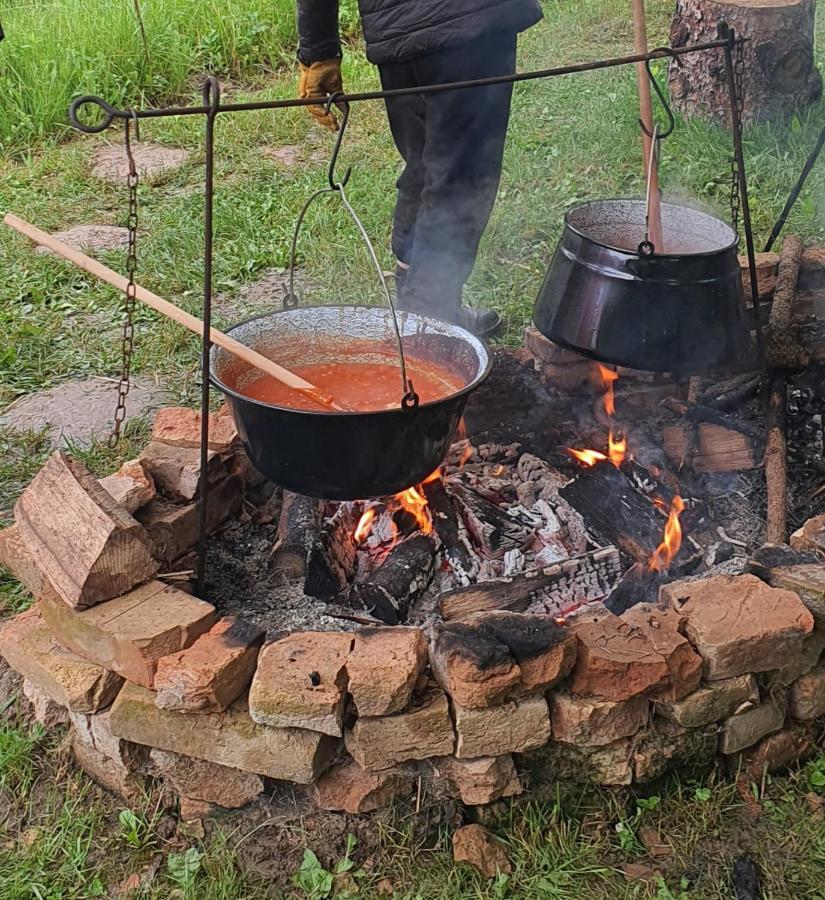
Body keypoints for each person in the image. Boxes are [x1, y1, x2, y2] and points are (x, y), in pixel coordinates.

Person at [295, 0, 543, 338]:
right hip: (467, 25)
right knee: (461, 178)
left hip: (396, 31)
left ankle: (418, 311)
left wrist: (319, 50)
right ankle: (431, 328)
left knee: (425, 166)